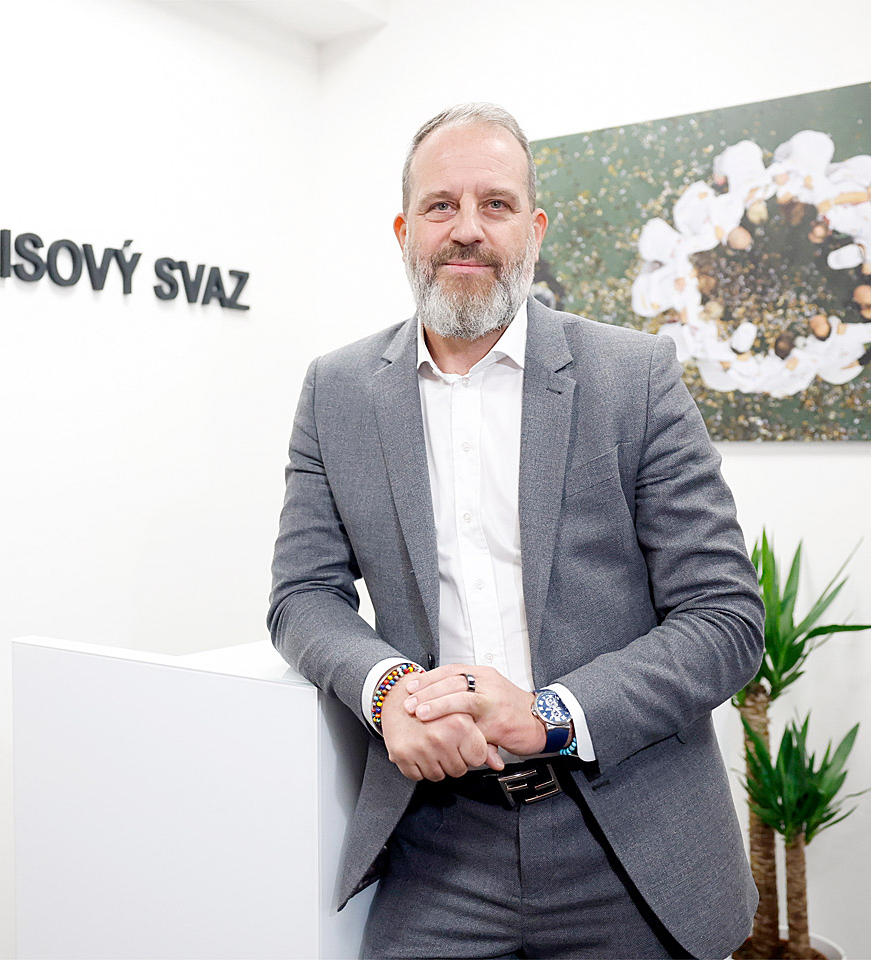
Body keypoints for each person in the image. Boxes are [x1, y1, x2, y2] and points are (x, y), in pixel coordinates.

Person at [268, 103, 764, 959]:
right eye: (441, 205)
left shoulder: (635, 377)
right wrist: (388, 691)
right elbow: (302, 596)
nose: (467, 228)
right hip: (435, 843)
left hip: (626, 836)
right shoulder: (336, 390)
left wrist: (550, 716)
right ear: (404, 231)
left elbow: (724, 619)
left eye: (495, 204)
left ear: (533, 231)